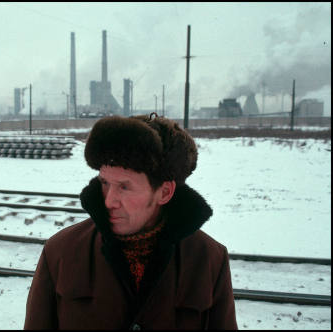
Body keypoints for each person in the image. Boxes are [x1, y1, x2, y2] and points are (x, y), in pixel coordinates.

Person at [24, 114, 238, 330]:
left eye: (124, 187)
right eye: (105, 183)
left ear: (164, 192)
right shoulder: (61, 252)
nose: (108, 201)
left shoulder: (209, 259)